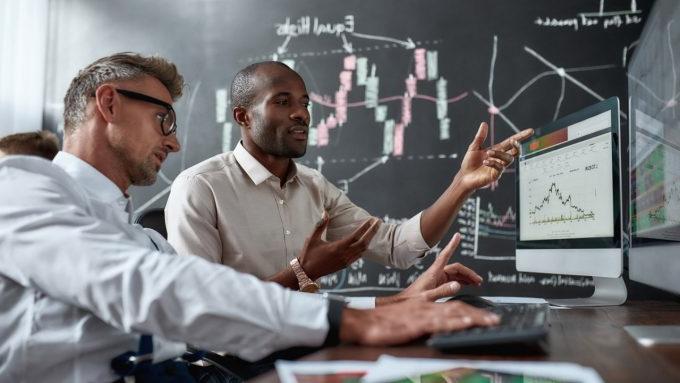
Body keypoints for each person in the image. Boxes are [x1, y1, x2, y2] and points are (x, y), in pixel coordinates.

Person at [0, 53, 500, 382]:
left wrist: (388, 307)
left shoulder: (134, 233)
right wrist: (341, 309)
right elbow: (166, 293)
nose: (174, 141)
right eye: (164, 119)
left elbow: (197, 310)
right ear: (108, 103)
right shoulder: (21, 186)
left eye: (304, 104)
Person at [165, 61, 533, 303]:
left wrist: (462, 185)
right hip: (237, 368)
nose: (301, 113)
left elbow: (396, 247)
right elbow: (203, 309)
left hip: (311, 350)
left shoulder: (313, 187)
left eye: (305, 103)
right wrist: (302, 272)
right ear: (243, 116)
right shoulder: (199, 187)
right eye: (282, 101)